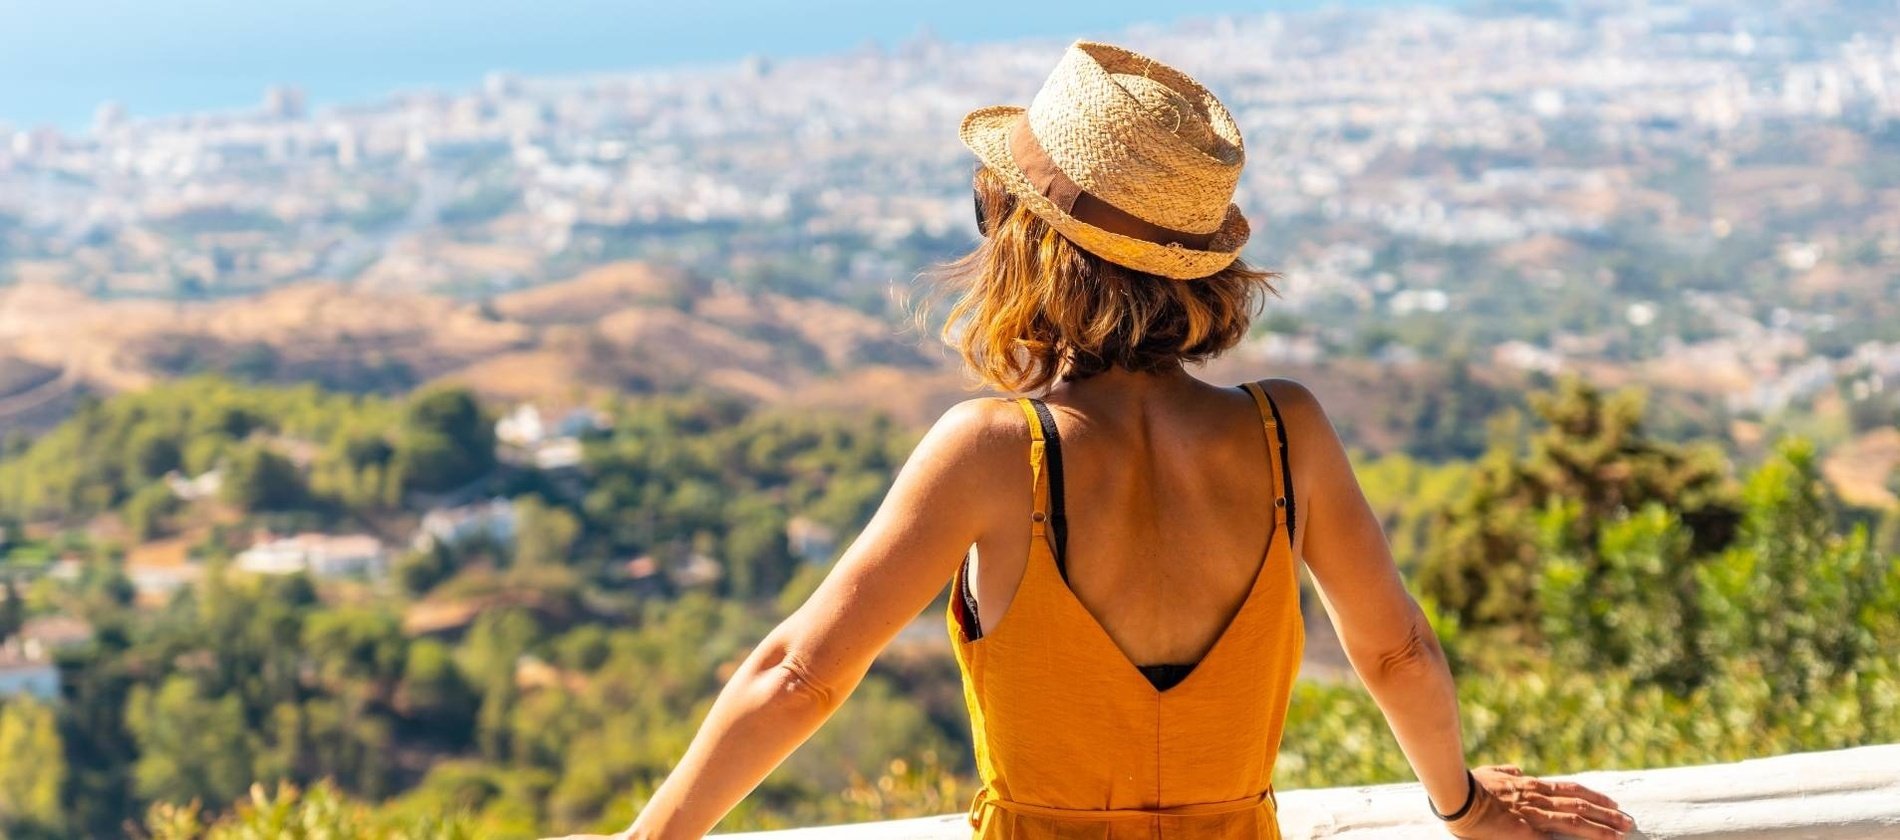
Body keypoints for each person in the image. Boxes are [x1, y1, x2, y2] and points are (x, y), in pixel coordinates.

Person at [550, 40, 1635, 840]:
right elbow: (1396, 647)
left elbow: (798, 675)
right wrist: (1462, 805)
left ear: (1027, 249)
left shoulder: (990, 454)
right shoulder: (1286, 432)